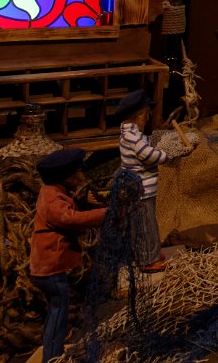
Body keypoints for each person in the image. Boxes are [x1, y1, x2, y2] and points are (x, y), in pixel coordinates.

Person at [31, 147, 107, 363]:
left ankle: (52, 354)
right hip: (50, 270)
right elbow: (70, 219)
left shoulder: (55, 193)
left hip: (49, 268)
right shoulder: (52, 201)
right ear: (66, 177)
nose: (82, 176)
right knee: (58, 313)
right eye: (78, 173)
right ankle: (52, 357)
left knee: (57, 312)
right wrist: (105, 214)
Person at [117, 89, 194, 273]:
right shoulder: (133, 138)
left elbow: (147, 144)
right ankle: (148, 261)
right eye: (146, 113)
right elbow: (150, 156)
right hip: (141, 191)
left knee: (144, 224)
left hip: (140, 190)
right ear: (139, 115)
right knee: (146, 226)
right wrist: (169, 153)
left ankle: (148, 254)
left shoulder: (130, 135)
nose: (148, 117)